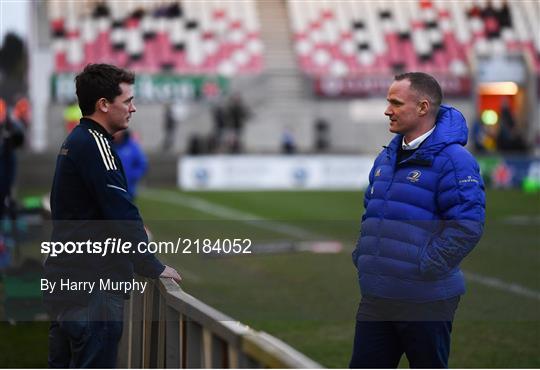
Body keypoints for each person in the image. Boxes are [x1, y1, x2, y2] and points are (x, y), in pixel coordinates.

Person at [43, 64, 181, 368]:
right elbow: (121, 212)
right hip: (92, 285)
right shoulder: (95, 145)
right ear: (103, 105)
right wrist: (151, 265)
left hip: (68, 282)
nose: (133, 108)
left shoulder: (77, 141)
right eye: (127, 101)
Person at [350, 72, 485, 368]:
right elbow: (370, 211)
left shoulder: (455, 160)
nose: (388, 110)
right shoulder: (386, 157)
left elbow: (467, 225)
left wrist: (425, 266)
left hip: (425, 301)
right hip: (378, 296)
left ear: (423, 107)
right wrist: (364, 255)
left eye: (396, 103)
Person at [113, 130, 148, 200]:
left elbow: (142, 164)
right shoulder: (107, 145)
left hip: (129, 189)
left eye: (118, 131)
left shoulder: (132, 146)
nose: (116, 133)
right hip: (111, 188)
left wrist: (132, 176)